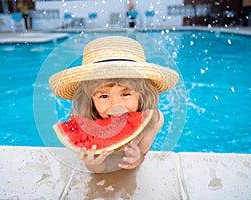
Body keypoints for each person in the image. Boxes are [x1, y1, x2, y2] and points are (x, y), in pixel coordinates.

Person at [49, 36, 179, 173]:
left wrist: (137, 158)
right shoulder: (87, 124)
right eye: (104, 96)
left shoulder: (153, 120)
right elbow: (99, 169)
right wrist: (93, 163)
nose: (116, 105)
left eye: (126, 94)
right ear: (90, 99)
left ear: (142, 94)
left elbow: (142, 155)